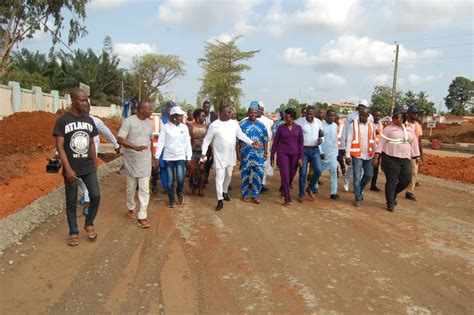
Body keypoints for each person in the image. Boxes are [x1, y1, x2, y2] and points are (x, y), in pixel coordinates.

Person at [53, 88, 101, 246]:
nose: (85, 102)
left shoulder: (89, 120)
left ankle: (89, 223)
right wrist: (67, 168)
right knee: (71, 201)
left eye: (86, 100)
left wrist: (94, 161)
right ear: (73, 100)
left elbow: (92, 142)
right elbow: (60, 147)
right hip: (71, 167)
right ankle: (73, 231)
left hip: (88, 166)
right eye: (82, 100)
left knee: (95, 196)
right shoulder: (63, 121)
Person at [201, 105, 259, 211]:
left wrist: (251, 142)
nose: (231, 113)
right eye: (229, 112)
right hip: (219, 156)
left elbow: (241, 135)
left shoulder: (234, 124)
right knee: (219, 177)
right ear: (222, 113)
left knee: (228, 175)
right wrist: (204, 152)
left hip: (230, 155)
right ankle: (219, 200)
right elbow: (207, 140)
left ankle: (225, 191)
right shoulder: (214, 125)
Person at [373, 107, 421, 211]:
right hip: (390, 158)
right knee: (392, 180)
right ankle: (390, 202)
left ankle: (393, 193)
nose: (394, 119)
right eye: (393, 117)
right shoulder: (388, 129)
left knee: (406, 180)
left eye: (397, 117)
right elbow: (381, 143)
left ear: (403, 117)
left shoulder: (409, 129)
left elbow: (414, 142)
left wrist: (417, 156)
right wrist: (376, 157)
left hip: (405, 158)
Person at [78, 103, 120, 215]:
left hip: (91, 155)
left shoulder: (95, 122)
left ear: (88, 110)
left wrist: (116, 144)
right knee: (79, 177)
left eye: (85, 108)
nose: (83, 110)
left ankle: (87, 202)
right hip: (78, 154)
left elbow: (107, 132)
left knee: (87, 176)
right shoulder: (75, 122)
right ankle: (85, 194)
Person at [117, 100, 154, 228]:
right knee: (131, 188)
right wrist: (135, 147)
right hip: (132, 160)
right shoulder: (128, 121)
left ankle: (142, 216)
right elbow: (120, 138)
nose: (151, 111)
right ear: (140, 110)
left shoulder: (150, 123)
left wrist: (153, 157)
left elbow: (150, 140)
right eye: (149, 108)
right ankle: (131, 207)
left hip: (145, 160)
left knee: (144, 188)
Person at [154, 106, 192, 208]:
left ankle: (179, 192)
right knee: (170, 180)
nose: (182, 117)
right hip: (168, 158)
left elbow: (187, 143)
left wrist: (189, 157)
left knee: (180, 179)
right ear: (174, 116)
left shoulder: (184, 127)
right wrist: (157, 156)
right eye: (180, 115)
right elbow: (161, 143)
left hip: (180, 157)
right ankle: (171, 199)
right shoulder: (166, 127)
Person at [271, 108, 304, 206]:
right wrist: (272, 155)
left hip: (295, 154)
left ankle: (284, 188)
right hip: (282, 153)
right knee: (285, 175)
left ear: (293, 118)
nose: (286, 119)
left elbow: (301, 144)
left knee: (291, 176)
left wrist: (301, 157)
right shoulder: (281, 128)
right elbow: (275, 143)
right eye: (285, 118)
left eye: (288, 118)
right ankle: (287, 198)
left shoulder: (298, 128)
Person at [238, 103, 269, 204]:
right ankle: (245, 195)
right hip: (245, 155)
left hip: (258, 155)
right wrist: (238, 152)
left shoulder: (261, 125)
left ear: (258, 114)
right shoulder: (241, 124)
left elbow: (265, 139)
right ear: (248, 113)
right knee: (245, 176)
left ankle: (255, 195)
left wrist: (265, 152)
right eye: (251, 113)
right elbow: (237, 140)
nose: (253, 114)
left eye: (255, 113)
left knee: (259, 174)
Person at [345, 107, 376, 207]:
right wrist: (347, 155)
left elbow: (374, 140)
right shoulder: (353, 125)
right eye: (360, 115)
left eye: (364, 115)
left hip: (369, 155)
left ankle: (358, 189)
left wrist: (375, 155)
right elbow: (349, 140)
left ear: (368, 116)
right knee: (357, 177)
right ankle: (358, 198)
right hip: (357, 155)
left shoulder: (372, 126)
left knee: (369, 175)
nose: (361, 117)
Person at [341, 99, 373, 191]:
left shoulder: (370, 117)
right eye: (360, 105)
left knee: (362, 171)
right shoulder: (351, 116)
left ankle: (358, 189)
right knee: (352, 167)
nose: (361, 108)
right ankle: (347, 180)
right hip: (353, 147)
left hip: (365, 148)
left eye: (364, 106)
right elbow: (345, 131)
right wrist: (344, 146)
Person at [295, 106, 324, 202]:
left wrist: (321, 140)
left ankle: (310, 188)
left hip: (315, 149)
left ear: (314, 114)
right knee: (303, 173)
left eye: (311, 114)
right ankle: (301, 194)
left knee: (319, 170)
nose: (309, 116)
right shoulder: (300, 122)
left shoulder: (318, 122)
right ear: (305, 113)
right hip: (303, 150)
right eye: (307, 114)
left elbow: (322, 135)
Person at [404, 105, 424, 201]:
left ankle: (410, 191)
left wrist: (421, 154)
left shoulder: (418, 126)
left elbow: (419, 140)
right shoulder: (403, 124)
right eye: (414, 113)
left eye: (417, 113)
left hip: (414, 153)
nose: (416, 115)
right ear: (408, 114)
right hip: (403, 151)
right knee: (402, 171)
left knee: (414, 172)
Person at [188, 109, 208, 196]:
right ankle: (193, 187)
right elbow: (187, 140)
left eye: (205, 116)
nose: (204, 117)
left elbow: (209, 140)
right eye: (202, 116)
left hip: (203, 152)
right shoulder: (190, 126)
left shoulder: (206, 127)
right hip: (192, 151)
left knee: (202, 170)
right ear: (197, 117)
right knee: (192, 170)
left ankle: (201, 188)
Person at [321, 109, 340, 199]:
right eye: (330, 116)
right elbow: (319, 140)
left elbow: (335, 140)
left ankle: (333, 193)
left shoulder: (335, 125)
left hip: (333, 154)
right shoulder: (321, 125)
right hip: (323, 154)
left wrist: (336, 152)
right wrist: (320, 152)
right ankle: (314, 187)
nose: (332, 117)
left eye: (333, 116)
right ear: (326, 116)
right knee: (318, 171)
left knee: (334, 172)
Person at [158, 101, 176, 193]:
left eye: (173, 108)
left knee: (172, 167)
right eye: (170, 108)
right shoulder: (161, 120)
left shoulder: (177, 120)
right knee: (164, 167)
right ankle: (166, 186)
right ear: (166, 109)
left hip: (173, 148)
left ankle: (170, 184)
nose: (171, 110)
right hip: (163, 147)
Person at [256, 102, 274, 192]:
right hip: (252, 148)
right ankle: (252, 183)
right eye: (259, 109)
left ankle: (262, 184)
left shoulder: (268, 121)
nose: (261, 111)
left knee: (263, 166)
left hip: (264, 147)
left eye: (262, 109)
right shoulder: (249, 119)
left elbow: (269, 135)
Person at [370, 111, 383, 191]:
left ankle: (373, 185)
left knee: (376, 168)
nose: (377, 118)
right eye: (375, 116)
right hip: (369, 149)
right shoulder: (369, 124)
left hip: (377, 150)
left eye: (379, 116)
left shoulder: (381, 126)